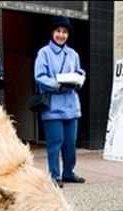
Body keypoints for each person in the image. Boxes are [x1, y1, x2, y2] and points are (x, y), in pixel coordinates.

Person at [34, 15, 86, 188]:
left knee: (71, 143)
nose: (61, 35)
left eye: (64, 32)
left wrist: (79, 79)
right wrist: (57, 84)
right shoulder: (44, 53)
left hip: (71, 105)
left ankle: (69, 172)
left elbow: (80, 72)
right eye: (58, 31)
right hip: (53, 106)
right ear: (52, 32)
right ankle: (54, 175)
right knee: (55, 142)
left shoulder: (73, 54)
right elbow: (39, 77)